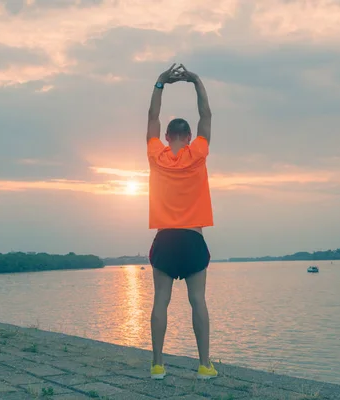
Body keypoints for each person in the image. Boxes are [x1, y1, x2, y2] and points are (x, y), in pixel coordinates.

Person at [145, 63, 218, 380]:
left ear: (166, 137)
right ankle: (204, 365)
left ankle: (158, 365)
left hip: (164, 239)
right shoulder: (198, 153)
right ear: (188, 137)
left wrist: (161, 82)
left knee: (160, 302)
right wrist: (196, 81)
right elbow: (207, 117)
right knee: (197, 301)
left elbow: (151, 118)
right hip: (191, 238)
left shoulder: (156, 156)